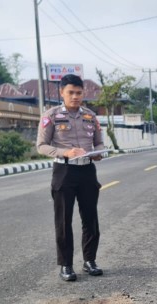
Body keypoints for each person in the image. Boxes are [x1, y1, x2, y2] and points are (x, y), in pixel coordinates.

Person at [37, 74, 105, 282]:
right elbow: (41, 146)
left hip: (87, 170)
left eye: (79, 92)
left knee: (90, 219)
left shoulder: (90, 116)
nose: (75, 97)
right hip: (64, 172)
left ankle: (89, 260)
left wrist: (98, 152)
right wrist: (63, 152)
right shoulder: (51, 115)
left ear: (83, 93)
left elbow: (99, 142)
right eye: (71, 93)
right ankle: (66, 265)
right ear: (62, 93)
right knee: (64, 220)